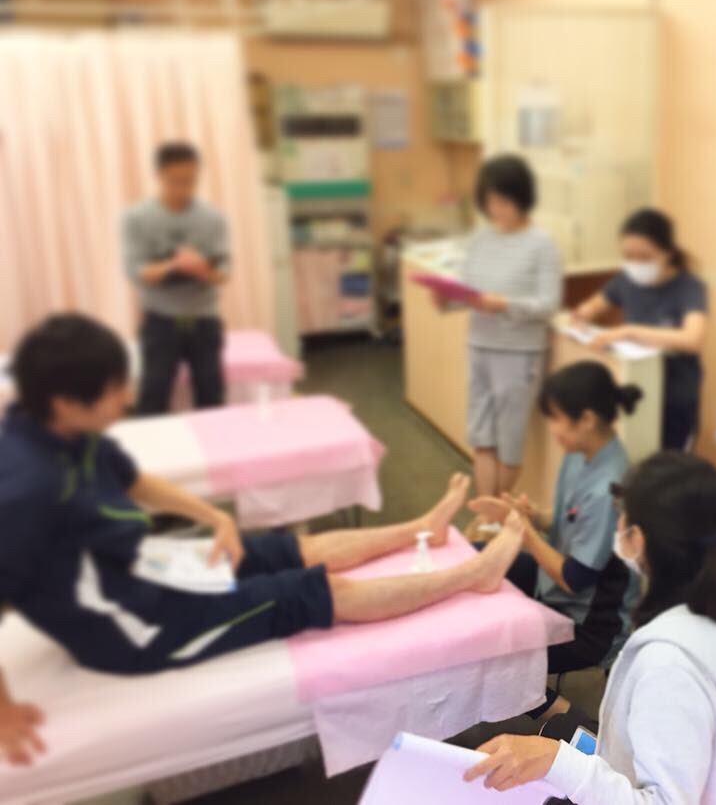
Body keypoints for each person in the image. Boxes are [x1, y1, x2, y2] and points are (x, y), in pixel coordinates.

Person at [0, 314, 526, 768]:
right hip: (137, 625)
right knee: (314, 590)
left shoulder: (62, 429)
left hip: (147, 565)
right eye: (115, 388)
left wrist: (212, 515)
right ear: (65, 401)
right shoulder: (25, 487)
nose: (126, 397)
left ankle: (422, 529)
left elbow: (132, 478)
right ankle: (473, 575)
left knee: (290, 549)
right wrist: (3, 713)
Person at [464, 451, 716, 804]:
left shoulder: (668, 666)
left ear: (637, 537)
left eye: (621, 517)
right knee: (562, 731)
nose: (615, 526)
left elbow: (666, 800)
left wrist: (558, 762)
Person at [469, 361, 639, 721]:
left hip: (589, 624)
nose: (552, 428)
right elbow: (568, 521)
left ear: (587, 419)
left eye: (557, 418)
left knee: (489, 657)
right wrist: (532, 516)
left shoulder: (609, 486)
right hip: (554, 585)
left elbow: (575, 577)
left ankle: (579, 729)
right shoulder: (580, 454)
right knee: (478, 557)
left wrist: (524, 531)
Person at [449, 154, 562, 498]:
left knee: (509, 442)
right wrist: (447, 298)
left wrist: (504, 304)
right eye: (489, 201)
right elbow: (465, 290)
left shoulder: (542, 244)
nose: (495, 209)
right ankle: (486, 513)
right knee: (482, 438)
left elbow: (548, 304)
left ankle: (497, 516)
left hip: (519, 352)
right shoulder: (480, 240)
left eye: (503, 201)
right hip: (479, 345)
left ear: (522, 197)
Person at [574, 208, 708, 450]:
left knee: (670, 464)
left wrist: (630, 331)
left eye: (645, 257)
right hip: (636, 392)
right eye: (628, 256)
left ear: (667, 253)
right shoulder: (625, 280)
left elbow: (692, 339)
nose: (635, 264)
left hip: (675, 398)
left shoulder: (689, 286)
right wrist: (582, 315)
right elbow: (592, 306)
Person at [123, 142, 231, 416]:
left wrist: (202, 269)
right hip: (160, 321)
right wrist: (174, 265)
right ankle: (150, 446)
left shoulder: (213, 218)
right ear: (159, 175)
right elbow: (135, 271)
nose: (184, 188)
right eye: (176, 181)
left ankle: (215, 444)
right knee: (153, 397)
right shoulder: (136, 218)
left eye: (191, 181)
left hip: (205, 320)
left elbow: (224, 273)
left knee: (211, 396)